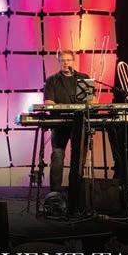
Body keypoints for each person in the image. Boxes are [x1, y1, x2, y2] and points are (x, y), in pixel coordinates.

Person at [43, 50, 91, 198]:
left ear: (73, 61)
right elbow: (48, 102)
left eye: (68, 60)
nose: (66, 63)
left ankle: (75, 193)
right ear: (59, 62)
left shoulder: (83, 78)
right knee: (58, 155)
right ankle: (55, 193)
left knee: (78, 157)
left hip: (79, 122)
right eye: (63, 60)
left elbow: (90, 101)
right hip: (59, 123)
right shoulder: (52, 80)